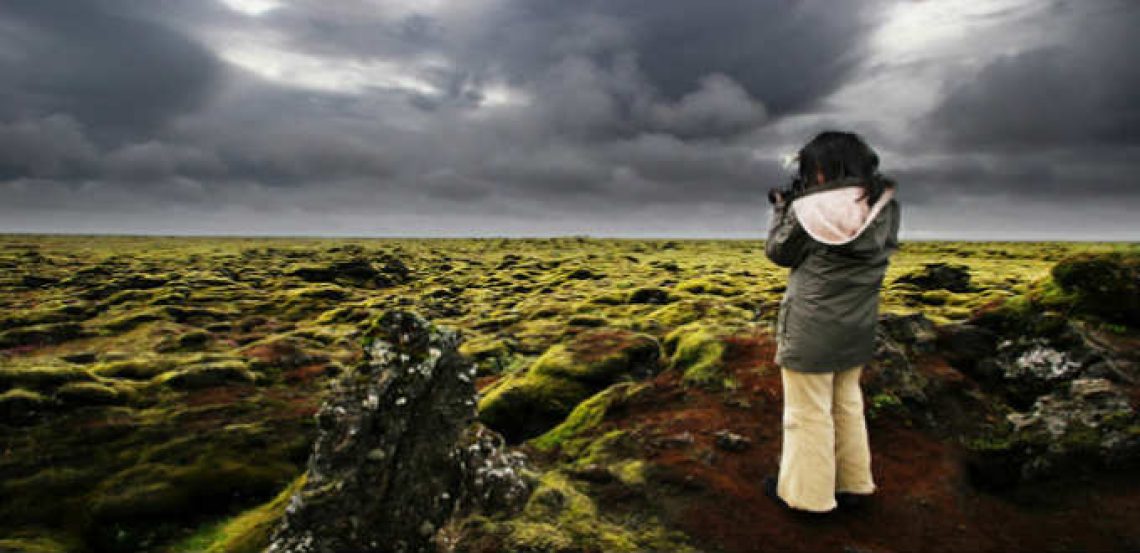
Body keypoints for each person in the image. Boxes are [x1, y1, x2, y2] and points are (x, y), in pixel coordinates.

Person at [761, 130, 901, 514]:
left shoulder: (811, 209)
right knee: (846, 402)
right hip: (856, 323)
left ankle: (809, 498)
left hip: (811, 327)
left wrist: (782, 209)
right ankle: (854, 484)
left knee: (807, 412)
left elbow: (778, 252)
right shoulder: (884, 205)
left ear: (820, 169)